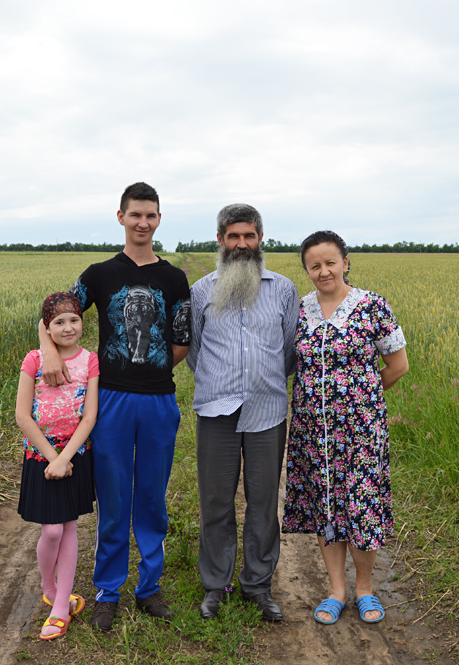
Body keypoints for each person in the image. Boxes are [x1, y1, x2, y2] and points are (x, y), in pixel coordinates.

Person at [39, 182, 191, 631]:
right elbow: (53, 312)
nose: (143, 222)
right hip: (111, 402)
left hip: (160, 400)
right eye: (135, 214)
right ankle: (108, 589)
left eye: (151, 215)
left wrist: (151, 366)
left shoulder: (174, 278)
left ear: (159, 220)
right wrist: (47, 348)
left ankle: (149, 587)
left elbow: (180, 342)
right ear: (121, 217)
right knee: (113, 493)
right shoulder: (99, 274)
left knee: (152, 495)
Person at [282, 230, 409, 625]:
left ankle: (365, 590)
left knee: (361, 507)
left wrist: (360, 398)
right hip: (311, 430)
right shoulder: (299, 310)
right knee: (326, 507)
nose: (324, 271)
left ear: (346, 262)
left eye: (330, 263)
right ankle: (336, 590)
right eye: (314, 265)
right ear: (306, 270)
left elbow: (398, 365)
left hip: (361, 432)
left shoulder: (373, 306)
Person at [187, 204, 299, 622]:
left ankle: (258, 584)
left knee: (264, 501)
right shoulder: (201, 291)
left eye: (249, 236)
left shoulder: (283, 289)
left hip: (268, 410)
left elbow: (289, 351)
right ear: (220, 241)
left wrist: (260, 382)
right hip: (217, 411)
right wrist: (222, 382)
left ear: (260, 239)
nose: (241, 245)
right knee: (216, 501)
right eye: (233, 237)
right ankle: (216, 585)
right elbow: (194, 352)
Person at [16, 291, 99, 640]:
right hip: (41, 456)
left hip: (75, 456)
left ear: (82, 322)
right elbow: (22, 414)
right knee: (50, 530)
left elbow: (90, 415)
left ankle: (61, 605)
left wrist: (66, 457)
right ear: (46, 328)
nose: (68, 327)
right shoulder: (34, 360)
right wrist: (53, 457)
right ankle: (48, 586)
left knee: (69, 528)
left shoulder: (90, 360)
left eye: (74, 320)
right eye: (58, 322)